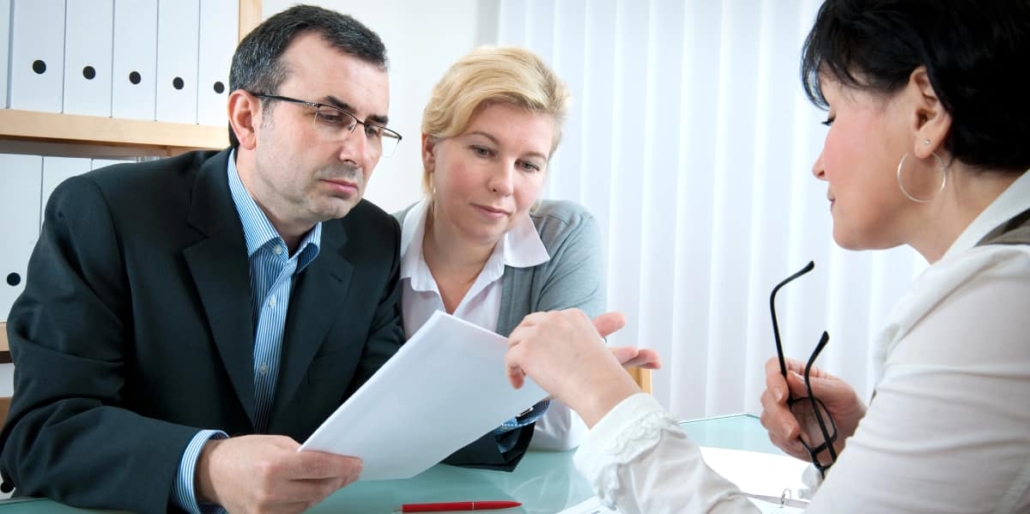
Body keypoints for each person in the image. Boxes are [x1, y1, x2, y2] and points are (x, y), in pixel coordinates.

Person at [504, 1, 1030, 512]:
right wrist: (860, 447)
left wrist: (601, 394)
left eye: (832, 116)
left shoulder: (999, 301)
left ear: (925, 113)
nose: (819, 167)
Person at [0, 6, 407, 514]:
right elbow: (43, 432)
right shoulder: (104, 214)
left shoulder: (374, 239)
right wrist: (207, 467)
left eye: (373, 129)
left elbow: (388, 410)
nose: (358, 152)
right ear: (247, 118)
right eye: (331, 116)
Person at [396, 46, 641, 470]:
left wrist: (419, 415)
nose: (504, 184)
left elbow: (563, 429)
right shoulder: (375, 244)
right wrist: (523, 394)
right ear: (430, 150)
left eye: (528, 164)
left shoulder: (564, 235)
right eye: (483, 150)